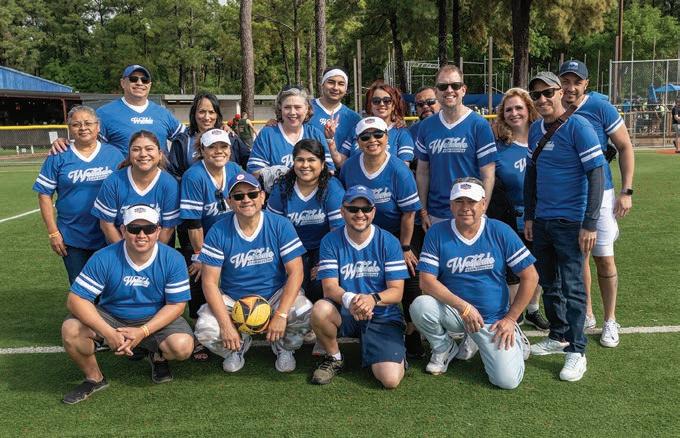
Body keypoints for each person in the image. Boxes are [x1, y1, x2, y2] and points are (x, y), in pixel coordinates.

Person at [410, 178, 537, 389]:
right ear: (451, 205)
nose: (465, 207)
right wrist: (464, 307)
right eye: (459, 201)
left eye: (472, 201)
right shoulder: (437, 232)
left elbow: (530, 276)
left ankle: (511, 334)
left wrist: (510, 318)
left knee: (506, 381)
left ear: (484, 204)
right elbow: (427, 281)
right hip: (457, 312)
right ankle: (444, 347)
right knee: (420, 305)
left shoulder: (500, 230)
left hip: (493, 319)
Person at [61, 204, 194, 404]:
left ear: (158, 230)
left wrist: (143, 331)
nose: (142, 235)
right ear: (123, 230)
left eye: (149, 228)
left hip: (154, 317)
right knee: (71, 329)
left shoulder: (173, 258)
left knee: (182, 346)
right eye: (134, 229)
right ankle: (94, 378)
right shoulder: (105, 257)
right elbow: (75, 299)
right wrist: (108, 332)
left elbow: (176, 305)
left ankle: (157, 354)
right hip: (111, 316)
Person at [524, 72, 606, 382]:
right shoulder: (535, 129)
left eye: (548, 92)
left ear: (560, 92)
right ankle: (558, 335)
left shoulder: (579, 126)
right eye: (536, 95)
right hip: (543, 220)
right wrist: (530, 216)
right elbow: (531, 175)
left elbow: (596, 174)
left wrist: (590, 223)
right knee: (549, 282)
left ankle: (577, 350)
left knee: (572, 286)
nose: (542, 99)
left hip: (571, 221)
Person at [194, 173, 312, 373]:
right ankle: (236, 347)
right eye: (238, 196)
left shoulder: (280, 225)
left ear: (262, 196)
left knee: (305, 311)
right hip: (234, 300)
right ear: (229, 202)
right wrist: (226, 325)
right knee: (205, 328)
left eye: (252, 194)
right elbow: (210, 283)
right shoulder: (218, 230)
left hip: (274, 296)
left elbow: (296, 272)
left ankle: (284, 347)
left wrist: (281, 314)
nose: (246, 199)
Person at [559, 60, 635, 348]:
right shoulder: (553, 108)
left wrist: (626, 191)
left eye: (576, 81)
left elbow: (625, 146)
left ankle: (610, 319)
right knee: (579, 257)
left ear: (586, 84)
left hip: (600, 193)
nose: (570, 87)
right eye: (566, 81)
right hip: (568, 197)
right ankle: (587, 312)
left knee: (604, 257)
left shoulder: (600, 107)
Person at [338, 116, 425, 357]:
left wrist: (405, 247)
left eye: (378, 135)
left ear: (387, 137)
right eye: (365, 137)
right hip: (363, 229)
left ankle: (412, 332)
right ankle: (362, 322)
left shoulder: (399, 169)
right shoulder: (350, 166)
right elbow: (346, 203)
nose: (372, 140)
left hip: (399, 231)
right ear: (358, 141)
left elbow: (409, 213)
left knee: (410, 276)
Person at [311, 185, 409, 388]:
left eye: (366, 209)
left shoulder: (389, 241)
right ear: (342, 211)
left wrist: (372, 299)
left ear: (374, 211)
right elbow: (329, 288)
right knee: (320, 309)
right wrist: (353, 301)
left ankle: (393, 353)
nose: (360, 214)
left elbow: (397, 292)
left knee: (390, 380)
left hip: (381, 313)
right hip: (346, 310)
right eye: (353, 209)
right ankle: (334, 358)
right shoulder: (330, 241)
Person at [33, 106, 124, 285]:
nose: (83, 128)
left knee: (111, 286)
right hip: (73, 235)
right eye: (76, 124)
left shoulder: (113, 154)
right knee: (81, 287)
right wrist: (53, 233)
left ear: (98, 126)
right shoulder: (58, 155)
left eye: (88, 123)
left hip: (109, 233)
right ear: (69, 128)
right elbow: (44, 195)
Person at [179, 128, 243, 359]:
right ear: (202, 150)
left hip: (229, 237)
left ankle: (238, 321)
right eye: (212, 147)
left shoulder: (235, 170)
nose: (218, 151)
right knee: (199, 275)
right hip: (200, 239)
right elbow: (193, 222)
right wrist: (201, 255)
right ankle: (200, 332)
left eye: (223, 146)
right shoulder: (194, 176)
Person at [489, 88, 549, 331]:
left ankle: (533, 308)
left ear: (529, 110)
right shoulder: (498, 146)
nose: (514, 113)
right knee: (513, 271)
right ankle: (516, 314)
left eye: (519, 108)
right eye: (508, 109)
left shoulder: (543, 140)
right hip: (510, 218)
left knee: (540, 267)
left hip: (542, 215)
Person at [415, 64, 497, 229]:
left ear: (463, 90)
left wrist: (482, 210)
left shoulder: (479, 125)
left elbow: (488, 174)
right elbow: (423, 172)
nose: (449, 90)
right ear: (436, 92)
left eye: (455, 85)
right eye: (443, 86)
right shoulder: (426, 126)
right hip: (437, 213)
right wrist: (423, 211)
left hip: (470, 212)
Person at [267, 139, 345, 303]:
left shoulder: (332, 187)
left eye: (311, 160)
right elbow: (272, 230)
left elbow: (337, 232)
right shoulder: (282, 188)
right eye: (300, 160)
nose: (305, 165)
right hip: (291, 248)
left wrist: (325, 263)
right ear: (293, 162)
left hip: (322, 247)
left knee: (320, 282)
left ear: (322, 164)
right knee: (292, 284)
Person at [51, 65, 184, 155]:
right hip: (121, 180)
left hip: (161, 179)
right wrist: (65, 143)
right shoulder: (105, 113)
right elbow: (86, 143)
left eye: (144, 80)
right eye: (133, 79)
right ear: (123, 83)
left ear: (149, 85)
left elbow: (187, 137)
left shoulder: (163, 113)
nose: (139, 83)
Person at [91, 130, 181, 245]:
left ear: (160, 154)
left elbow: (168, 229)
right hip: (119, 248)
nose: (143, 154)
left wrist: (151, 254)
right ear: (129, 155)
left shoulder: (169, 184)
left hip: (157, 249)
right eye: (136, 149)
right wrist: (125, 252)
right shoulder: (114, 181)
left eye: (149, 149)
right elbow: (107, 225)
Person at [247, 86, 335, 187]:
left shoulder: (315, 134)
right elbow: (254, 172)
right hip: (277, 194)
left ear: (307, 109)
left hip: (312, 194)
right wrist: (283, 174)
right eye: (287, 107)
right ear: (280, 108)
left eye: (298, 107)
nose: (292, 112)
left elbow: (330, 171)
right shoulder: (267, 134)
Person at [167, 92, 250, 178]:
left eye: (211, 112)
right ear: (194, 113)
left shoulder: (229, 137)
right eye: (202, 112)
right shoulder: (182, 141)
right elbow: (173, 175)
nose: (207, 117)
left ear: (217, 114)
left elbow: (250, 164)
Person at [337, 81, 415, 166]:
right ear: (370, 105)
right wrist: (330, 141)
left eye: (387, 101)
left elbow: (404, 168)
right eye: (376, 101)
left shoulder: (402, 133)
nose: (381, 104)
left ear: (393, 105)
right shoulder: (358, 129)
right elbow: (342, 162)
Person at [309, 67, 362, 167]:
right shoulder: (306, 108)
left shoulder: (354, 118)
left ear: (346, 89)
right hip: (307, 169)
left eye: (341, 84)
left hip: (339, 172)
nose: (335, 87)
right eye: (331, 82)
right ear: (322, 84)